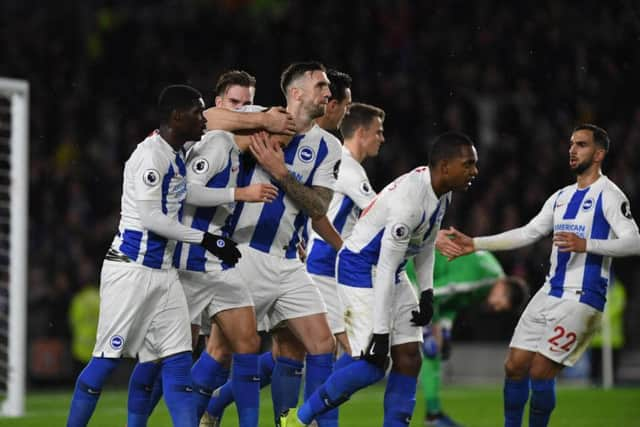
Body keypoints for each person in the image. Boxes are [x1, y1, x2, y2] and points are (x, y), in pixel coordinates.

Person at [438, 124, 640, 427]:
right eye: (571, 144)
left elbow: (634, 241)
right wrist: (475, 243)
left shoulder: (610, 196)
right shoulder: (561, 196)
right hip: (549, 292)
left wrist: (588, 244)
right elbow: (530, 232)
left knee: (541, 371)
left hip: (583, 298)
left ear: (599, 154)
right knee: (514, 366)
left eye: (581, 145)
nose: (572, 150)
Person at [66, 85, 241, 427]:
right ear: (177, 116)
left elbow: (186, 191)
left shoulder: (175, 155)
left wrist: (236, 194)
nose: (203, 119)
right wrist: (206, 239)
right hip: (130, 271)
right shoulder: (151, 156)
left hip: (164, 273)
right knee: (105, 361)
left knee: (177, 361)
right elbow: (151, 219)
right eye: (197, 112)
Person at [283, 131, 480, 426]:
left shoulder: (442, 192)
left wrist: (427, 292)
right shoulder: (410, 201)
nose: (474, 171)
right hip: (360, 268)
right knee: (373, 363)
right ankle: (299, 420)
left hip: (393, 271)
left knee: (410, 357)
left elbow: (425, 243)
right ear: (445, 166)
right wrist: (381, 331)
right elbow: (385, 266)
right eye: (468, 164)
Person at [200, 61, 342, 426]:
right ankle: (196, 414)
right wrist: (260, 125)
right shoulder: (256, 118)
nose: (328, 93)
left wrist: (281, 173)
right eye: (321, 86)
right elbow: (207, 120)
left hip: (289, 261)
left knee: (321, 346)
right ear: (296, 93)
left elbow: (319, 206)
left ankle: (295, 422)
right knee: (219, 353)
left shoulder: (329, 147)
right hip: (243, 253)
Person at [405, 251, 529, 427]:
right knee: (419, 350)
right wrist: (426, 329)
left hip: (423, 276)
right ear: (502, 288)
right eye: (500, 304)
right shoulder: (481, 277)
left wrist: (445, 330)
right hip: (412, 272)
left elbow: (452, 301)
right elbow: (433, 292)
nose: (495, 308)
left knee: (432, 351)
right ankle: (428, 415)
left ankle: (433, 413)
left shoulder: (489, 280)